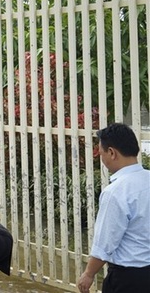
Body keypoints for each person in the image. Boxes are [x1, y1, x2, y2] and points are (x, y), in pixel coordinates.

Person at [77, 123, 150, 293]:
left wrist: (88, 274)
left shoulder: (116, 192)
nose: (101, 159)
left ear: (111, 152)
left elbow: (105, 242)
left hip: (128, 278)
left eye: (101, 153)